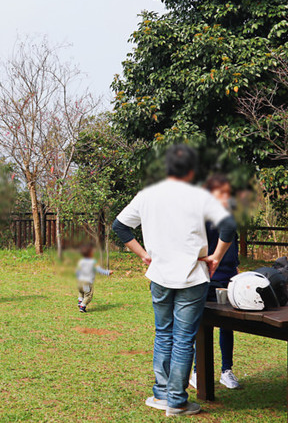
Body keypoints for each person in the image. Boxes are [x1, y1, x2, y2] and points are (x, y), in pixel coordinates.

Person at [112, 144, 237, 417]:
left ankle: (162, 394)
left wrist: (145, 255)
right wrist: (216, 257)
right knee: (183, 339)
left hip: (159, 275)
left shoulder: (146, 196)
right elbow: (228, 226)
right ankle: (177, 401)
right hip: (192, 276)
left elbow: (119, 226)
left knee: (163, 334)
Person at [190, 174, 241, 390]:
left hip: (227, 278)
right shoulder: (198, 217)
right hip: (202, 278)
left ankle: (226, 370)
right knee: (198, 324)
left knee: (226, 325)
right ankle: (196, 370)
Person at [76, 243, 113, 313]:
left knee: (81, 291)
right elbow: (99, 270)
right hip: (87, 282)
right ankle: (82, 306)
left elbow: (77, 271)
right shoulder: (93, 262)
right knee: (88, 295)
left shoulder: (80, 261)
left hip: (79, 281)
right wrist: (108, 272)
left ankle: (80, 300)